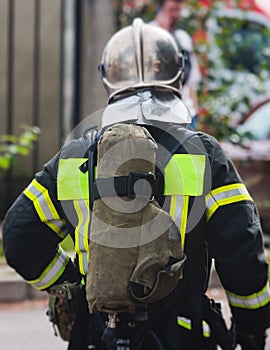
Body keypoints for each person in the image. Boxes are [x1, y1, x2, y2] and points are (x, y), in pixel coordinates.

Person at [2, 18, 270, 350]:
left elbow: (18, 236)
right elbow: (242, 252)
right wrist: (251, 331)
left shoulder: (74, 158)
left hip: (96, 337)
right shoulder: (204, 155)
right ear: (176, 74)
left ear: (108, 80)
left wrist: (71, 284)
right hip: (182, 336)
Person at [150, 0, 202, 128]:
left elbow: (191, 80)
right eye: (172, 10)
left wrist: (195, 110)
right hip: (158, 112)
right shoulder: (148, 33)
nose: (175, 15)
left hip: (185, 113)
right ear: (160, 10)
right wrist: (164, 32)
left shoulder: (183, 38)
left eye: (178, 10)